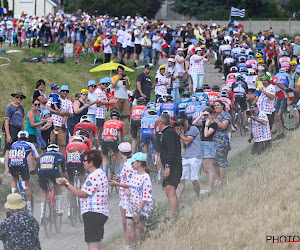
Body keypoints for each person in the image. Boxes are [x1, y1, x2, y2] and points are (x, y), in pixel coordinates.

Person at [56, 150, 109, 250]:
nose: (82, 162)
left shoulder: (94, 176)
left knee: (92, 245)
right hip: (100, 213)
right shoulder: (100, 173)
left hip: (92, 213)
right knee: (97, 243)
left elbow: (82, 194)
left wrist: (66, 184)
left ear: (91, 162)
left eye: (84, 160)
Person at [108, 142, 136, 250]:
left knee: (127, 224)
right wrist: (119, 179)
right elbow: (127, 180)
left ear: (120, 152)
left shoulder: (129, 165)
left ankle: (130, 245)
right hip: (124, 197)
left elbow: (132, 183)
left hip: (128, 197)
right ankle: (128, 245)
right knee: (125, 224)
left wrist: (117, 184)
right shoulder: (128, 163)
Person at [125, 152, 153, 250]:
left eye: (133, 162)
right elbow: (130, 188)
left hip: (142, 209)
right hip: (131, 207)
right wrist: (127, 191)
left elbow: (146, 197)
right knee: (129, 234)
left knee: (139, 235)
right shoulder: (134, 175)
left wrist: (138, 212)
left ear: (139, 163)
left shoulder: (146, 177)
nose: (131, 164)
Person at [8, 131, 40, 212]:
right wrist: (36, 169)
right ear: (27, 138)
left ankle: (13, 191)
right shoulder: (30, 144)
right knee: (26, 182)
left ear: (18, 138)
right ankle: (28, 207)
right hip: (22, 164)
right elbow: (37, 159)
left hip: (11, 163)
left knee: (14, 177)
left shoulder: (14, 144)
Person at [157, 114, 182, 214]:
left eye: (158, 122)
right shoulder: (167, 133)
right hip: (172, 166)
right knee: (170, 191)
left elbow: (171, 151)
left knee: (170, 190)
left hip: (173, 166)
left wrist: (167, 167)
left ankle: (173, 215)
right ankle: (176, 213)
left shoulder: (169, 133)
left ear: (161, 122)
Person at [38, 144, 67, 221]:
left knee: (44, 192)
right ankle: (58, 208)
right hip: (53, 171)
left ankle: (42, 214)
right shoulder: (60, 155)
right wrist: (66, 180)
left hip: (41, 172)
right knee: (58, 185)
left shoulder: (43, 155)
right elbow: (64, 171)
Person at [176, 115, 202, 201]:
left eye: (181, 123)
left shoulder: (193, 129)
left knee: (194, 180)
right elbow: (182, 145)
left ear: (186, 122)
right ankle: (178, 199)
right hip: (186, 156)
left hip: (195, 156)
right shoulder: (183, 131)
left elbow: (187, 141)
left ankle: (198, 197)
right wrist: (181, 133)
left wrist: (180, 134)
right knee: (181, 180)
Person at [192, 108, 217, 192]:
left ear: (211, 114)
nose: (206, 116)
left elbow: (206, 135)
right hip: (202, 144)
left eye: (207, 115)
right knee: (205, 169)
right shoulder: (203, 122)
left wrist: (206, 124)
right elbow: (194, 123)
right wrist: (201, 116)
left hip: (208, 145)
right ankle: (209, 186)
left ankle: (210, 188)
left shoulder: (214, 124)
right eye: (205, 115)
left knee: (209, 168)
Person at [46, 85, 74, 154]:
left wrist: (65, 112)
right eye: (63, 91)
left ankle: (62, 160)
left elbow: (71, 115)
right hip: (53, 124)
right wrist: (56, 112)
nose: (65, 92)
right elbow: (46, 107)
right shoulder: (55, 98)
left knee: (62, 144)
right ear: (60, 91)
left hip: (62, 126)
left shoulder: (69, 102)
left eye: (66, 91)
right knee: (52, 144)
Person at [4, 91, 26, 174]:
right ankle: (7, 169)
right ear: (14, 98)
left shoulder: (21, 108)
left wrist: (23, 131)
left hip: (19, 128)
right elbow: (6, 121)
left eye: (21, 98)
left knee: (18, 148)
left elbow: (21, 120)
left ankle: (17, 167)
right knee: (8, 149)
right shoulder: (9, 107)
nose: (19, 99)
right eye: (17, 97)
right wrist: (8, 135)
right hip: (11, 128)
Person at [211, 100, 231, 185]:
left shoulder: (226, 115)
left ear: (222, 106)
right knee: (215, 160)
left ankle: (222, 180)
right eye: (215, 106)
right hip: (214, 139)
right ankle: (218, 178)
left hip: (222, 139)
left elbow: (223, 126)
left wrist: (214, 120)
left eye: (218, 105)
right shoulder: (215, 115)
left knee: (221, 160)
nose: (216, 107)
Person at [101, 110, 125, 176]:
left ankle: (104, 173)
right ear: (118, 118)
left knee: (105, 156)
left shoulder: (106, 123)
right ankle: (118, 174)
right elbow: (122, 136)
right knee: (117, 154)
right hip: (113, 140)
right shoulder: (121, 123)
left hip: (104, 140)